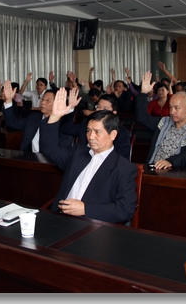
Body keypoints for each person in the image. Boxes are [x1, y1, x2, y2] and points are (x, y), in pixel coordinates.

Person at [40, 87, 138, 224]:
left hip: (92, 225)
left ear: (113, 135)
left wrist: (85, 209)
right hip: (59, 219)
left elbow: (125, 209)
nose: (91, 136)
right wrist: (55, 117)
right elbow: (49, 149)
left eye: (97, 132)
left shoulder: (123, 168)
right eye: (88, 131)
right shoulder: (78, 153)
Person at [135, 71, 186, 169]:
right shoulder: (164, 122)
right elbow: (142, 117)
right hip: (154, 169)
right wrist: (143, 94)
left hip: (178, 173)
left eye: (177, 108)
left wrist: (170, 162)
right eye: (170, 107)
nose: (172, 112)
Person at [2, 79, 71, 152]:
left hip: (50, 158)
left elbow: (62, 152)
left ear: (58, 103)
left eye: (48, 100)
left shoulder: (64, 125)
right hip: (30, 156)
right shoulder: (34, 118)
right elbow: (12, 122)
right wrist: (8, 100)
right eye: (43, 99)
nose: (43, 102)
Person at [59, 92, 132, 160]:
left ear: (114, 113)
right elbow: (66, 128)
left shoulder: (122, 132)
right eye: (98, 107)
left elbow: (123, 159)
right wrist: (71, 107)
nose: (100, 110)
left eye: (105, 109)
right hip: (82, 161)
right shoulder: (87, 123)